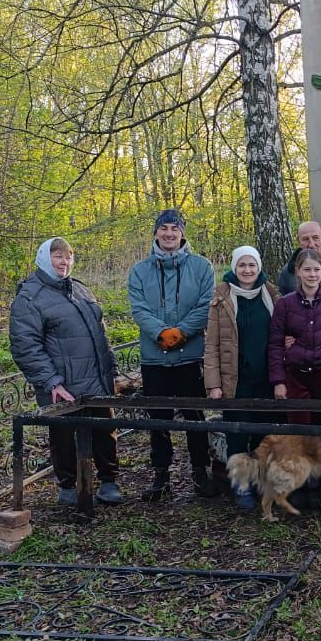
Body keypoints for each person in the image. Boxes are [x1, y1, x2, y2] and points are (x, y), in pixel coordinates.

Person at [9, 237, 120, 507]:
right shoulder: (30, 296)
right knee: (64, 436)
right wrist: (51, 381)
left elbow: (99, 332)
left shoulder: (80, 289)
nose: (64, 262)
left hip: (95, 378)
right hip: (63, 385)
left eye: (68, 256)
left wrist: (111, 368)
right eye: (58, 256)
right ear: (45, 258)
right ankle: (69, 486)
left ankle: (109, 480)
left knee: (104, 430)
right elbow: (26, 345)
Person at [128, 209, 216, 501]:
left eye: (174, 229)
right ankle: (161, 475)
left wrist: (181, 333)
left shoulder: (202, 267)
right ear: (155, 232)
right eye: (163, 228)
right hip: (155, 358)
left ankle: (200, 472)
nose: (169, 234)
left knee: (194, 417)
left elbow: (205, 305)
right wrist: (161, 333)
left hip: (190, 356)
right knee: (158, 418)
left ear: (182, 233)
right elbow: (139, 309)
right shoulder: (139, 271)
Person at [204, 246, 279, 510]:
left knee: (262, 433)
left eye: (252, 265)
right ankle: (240, 483)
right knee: (237, 433)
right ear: (234, 268)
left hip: (266, 377)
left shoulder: (271, 294)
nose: (247, 270)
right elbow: (211, 344)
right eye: (242, 265)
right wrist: (213, 384)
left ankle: (259, 481)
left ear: (259, 267)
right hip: (235, 380)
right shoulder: (222, 297)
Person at [269, 249, 321, 424]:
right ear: (298, 271)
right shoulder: (285, 304)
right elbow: (275, 344)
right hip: (295, 377)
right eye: (307, 270)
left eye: (316, 269)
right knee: (299, 435)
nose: (312, 274)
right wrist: (279, 381)